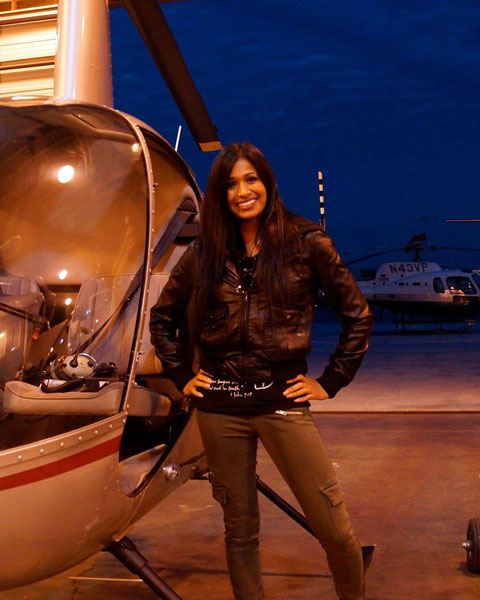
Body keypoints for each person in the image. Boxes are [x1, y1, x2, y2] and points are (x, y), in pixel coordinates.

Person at [150, 142, 373, 600]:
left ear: (267, 182)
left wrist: (330, 382)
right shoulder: (206, 251)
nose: (242, 191)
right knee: (240, 530)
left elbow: (358, 316)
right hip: (219, 409)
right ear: (220, 194)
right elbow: (161, 319)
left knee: (332, 526)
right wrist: (181, 376)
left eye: (251, 179)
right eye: (230, 184)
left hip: (282, 403)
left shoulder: (307, 242)